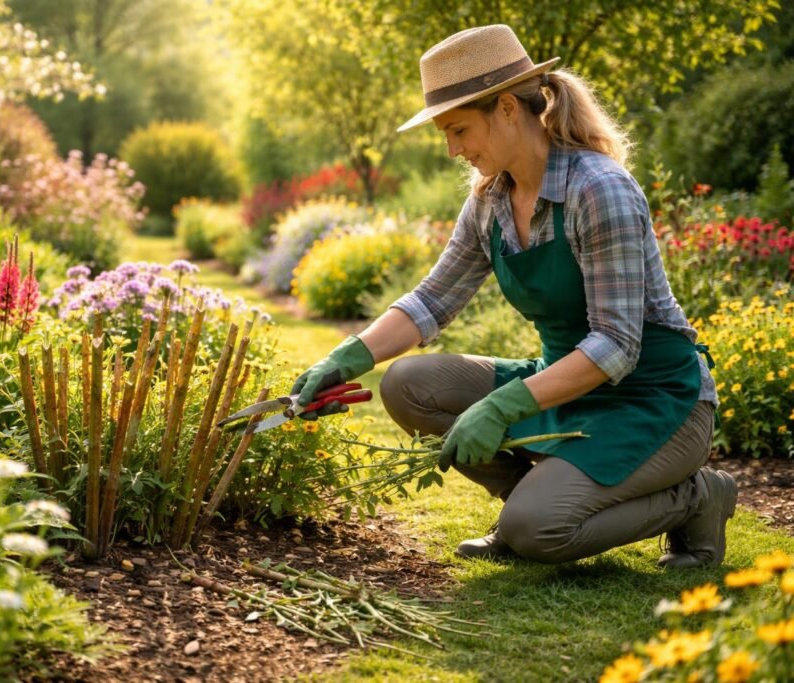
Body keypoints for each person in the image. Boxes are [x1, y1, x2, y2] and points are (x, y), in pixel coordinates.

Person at [291, 24, 735, 569]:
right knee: (409, 385)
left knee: (537, 532)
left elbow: (617, 346)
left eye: (459, 129)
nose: (453, 149)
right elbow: (433, 300)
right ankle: (530, 498)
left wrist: (503, 404)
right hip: (565, 386)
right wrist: (346, 358)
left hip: (657, 400)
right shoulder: (490, 199)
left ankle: (696, 498)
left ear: (506, 108)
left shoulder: (598, 190)